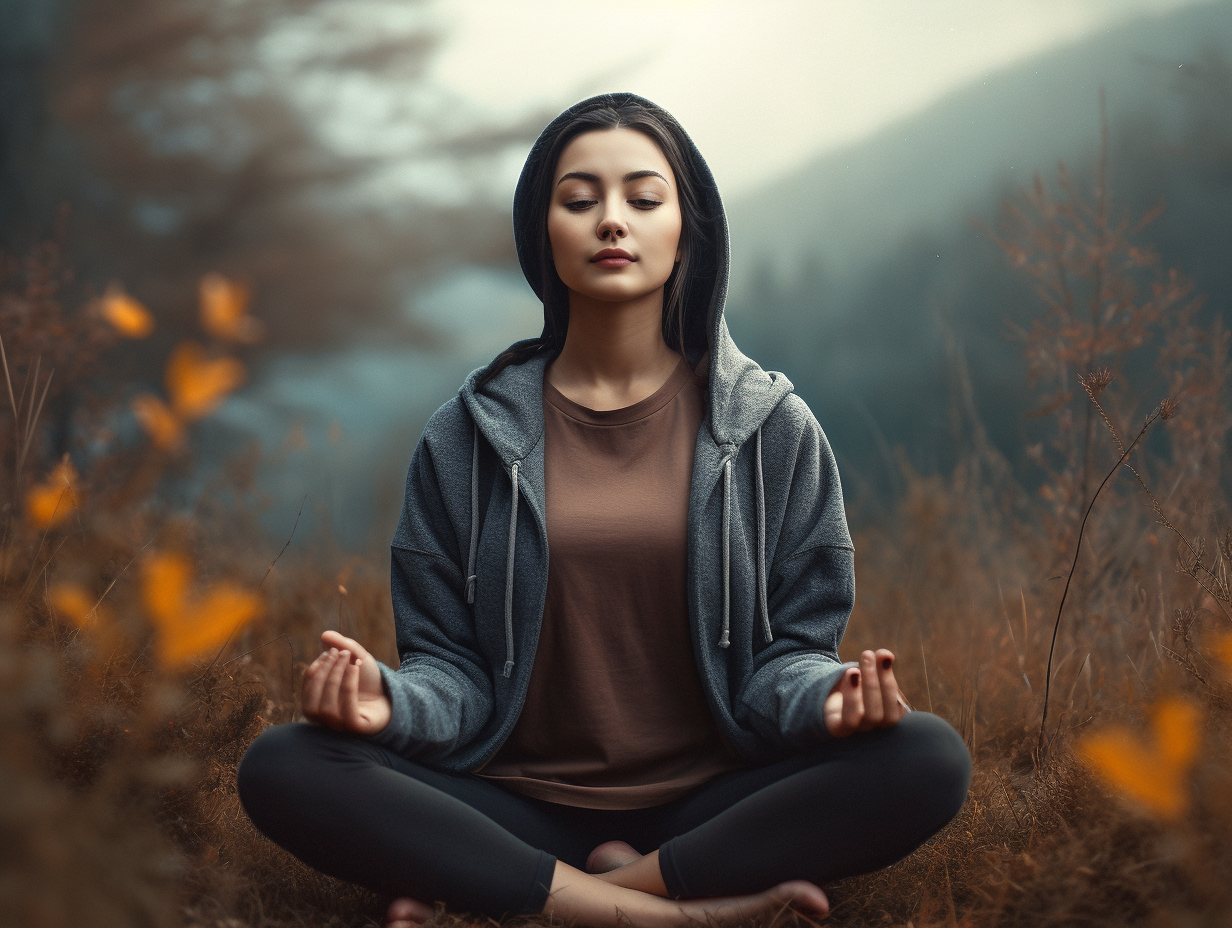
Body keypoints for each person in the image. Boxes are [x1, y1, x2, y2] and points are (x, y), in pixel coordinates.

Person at [236, 92, 971, 927]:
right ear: (542, 234)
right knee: (284, 764)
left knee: (926, 757)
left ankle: (545, 899)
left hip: (713, 801)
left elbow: (787, 657)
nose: (611, 221)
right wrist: (389, 702)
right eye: (580, 200)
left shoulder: (773, 430)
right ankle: (677, 912)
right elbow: (457, 673)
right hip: (517, 809)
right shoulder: (464, 437)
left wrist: (827, 698)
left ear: (687, 230)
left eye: (643, 199)